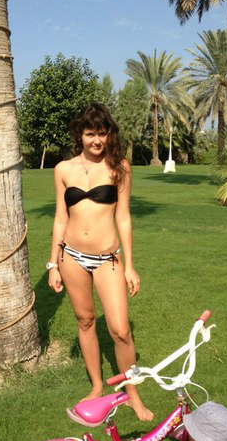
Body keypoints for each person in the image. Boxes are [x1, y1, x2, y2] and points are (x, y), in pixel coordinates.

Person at [47, 103, 153, 421]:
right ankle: (96, 385)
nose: (97, 140)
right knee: (85, 321)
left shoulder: (119, 167)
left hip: (108, 258)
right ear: (79, 135)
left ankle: (132, 393)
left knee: (120, 330)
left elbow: (123, 217)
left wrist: (130, 265)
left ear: (109, 135)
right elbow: (60, 218)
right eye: (90, 133)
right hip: (71, 257)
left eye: (102, 134)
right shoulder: (63, 170)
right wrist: (53, 264)